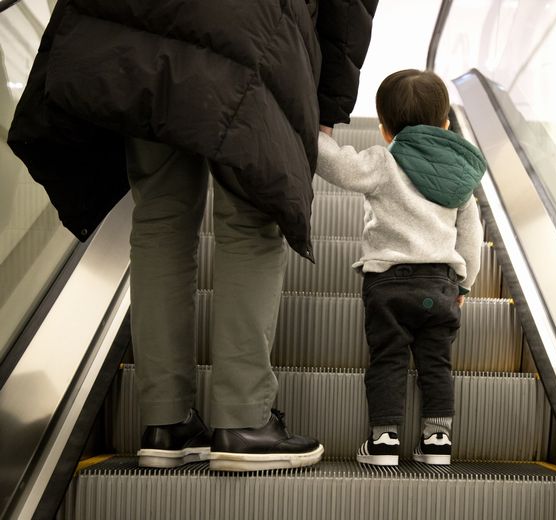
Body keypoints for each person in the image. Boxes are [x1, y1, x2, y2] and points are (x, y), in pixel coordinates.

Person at [9, 0, 377, 472]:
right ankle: (244, 422)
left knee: (159, 216)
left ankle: (166, 423)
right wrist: (329, 101)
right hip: (257, 32)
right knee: (251, 218)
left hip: (138, 29)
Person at [316, 69, 487, 466]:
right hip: (441, 283)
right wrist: (464, 286)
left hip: (388, 282)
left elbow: (339, 166)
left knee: (388, 358)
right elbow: (470, 237)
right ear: (445, 125)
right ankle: (438, 440)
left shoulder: (383, 162)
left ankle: (383, 441)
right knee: (436, 361)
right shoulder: (461, 179)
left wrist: (311, 131)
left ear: (385, 130)